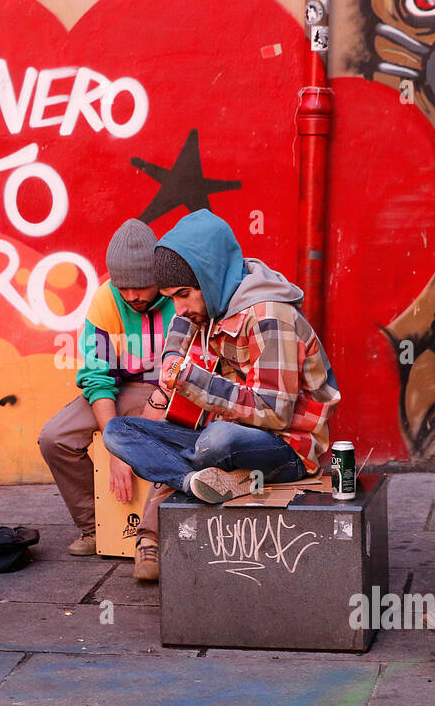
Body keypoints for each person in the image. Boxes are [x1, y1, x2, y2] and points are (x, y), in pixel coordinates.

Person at [103, 209, 341, 580]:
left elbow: (274, 412)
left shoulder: (268, 315)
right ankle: (195, 481)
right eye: (170, 298)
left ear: (209, 278)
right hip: (222, 436)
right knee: (118, 431)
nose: (178, 308)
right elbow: (182, 325)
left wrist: (192, 381)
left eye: (183, 294)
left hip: (286, 447)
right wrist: (170, 361)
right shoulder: (211, 301)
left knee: (216, 440)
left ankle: (195, 473)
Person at [38, 219, 175, 564]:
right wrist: (116, 444)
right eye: (123, 287)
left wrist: (128, 445)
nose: (132, 296)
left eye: (141, 287)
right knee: (55, 437)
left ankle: (153, 537)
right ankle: (97, 527)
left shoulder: (180, 295)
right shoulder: (105, 300)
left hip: (170, 392)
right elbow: (97, 377)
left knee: (168, 438)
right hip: (119, 387)